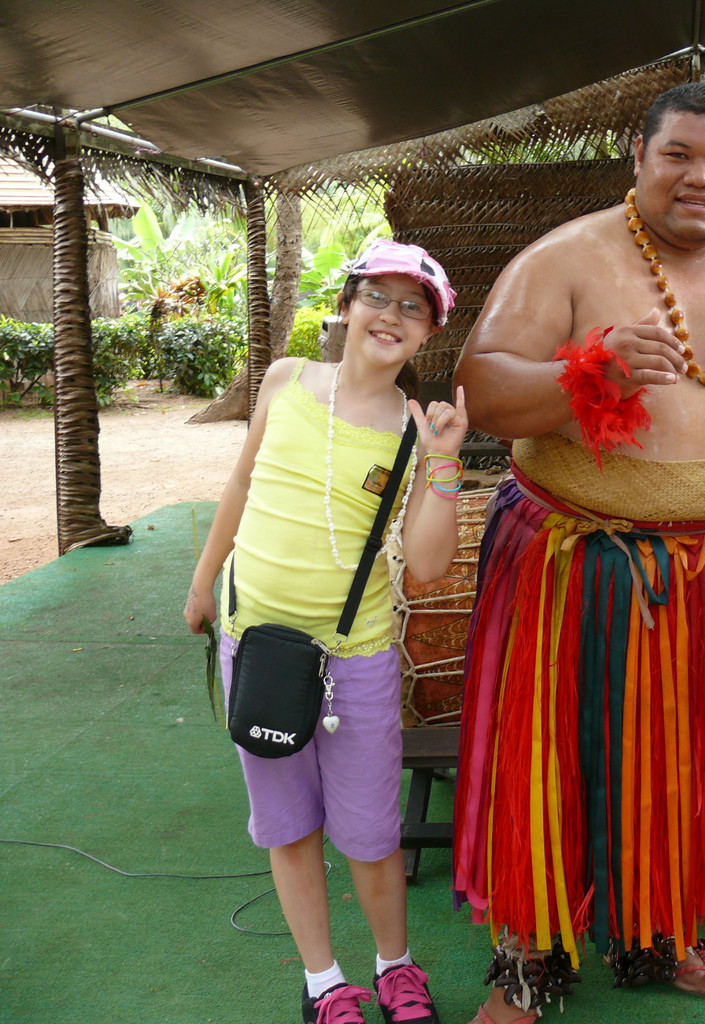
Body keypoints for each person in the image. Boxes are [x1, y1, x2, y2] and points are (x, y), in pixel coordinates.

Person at [448, 82, 705, 1023]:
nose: (699, 177)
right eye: (678, 155)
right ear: (639, 156)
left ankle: (659, 928)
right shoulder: (565, 258)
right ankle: (529, 959)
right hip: (575, 564)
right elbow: (482, 389)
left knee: (693, 766)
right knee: (551, 767)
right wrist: (586, 374)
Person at [184, 240, 468, 1024]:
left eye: (413, 307)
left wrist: (444, 463)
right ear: (345, 305)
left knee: (370, 832)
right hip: (256, 643)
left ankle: (395, 967)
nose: (391, 315)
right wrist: (203, 581)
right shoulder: (286, 379)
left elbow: (427, 566)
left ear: (429, 332)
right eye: (377, 296)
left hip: (354, 658)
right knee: (287, 824)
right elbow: (242, 480)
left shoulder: (414, 429)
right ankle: (323, 983)